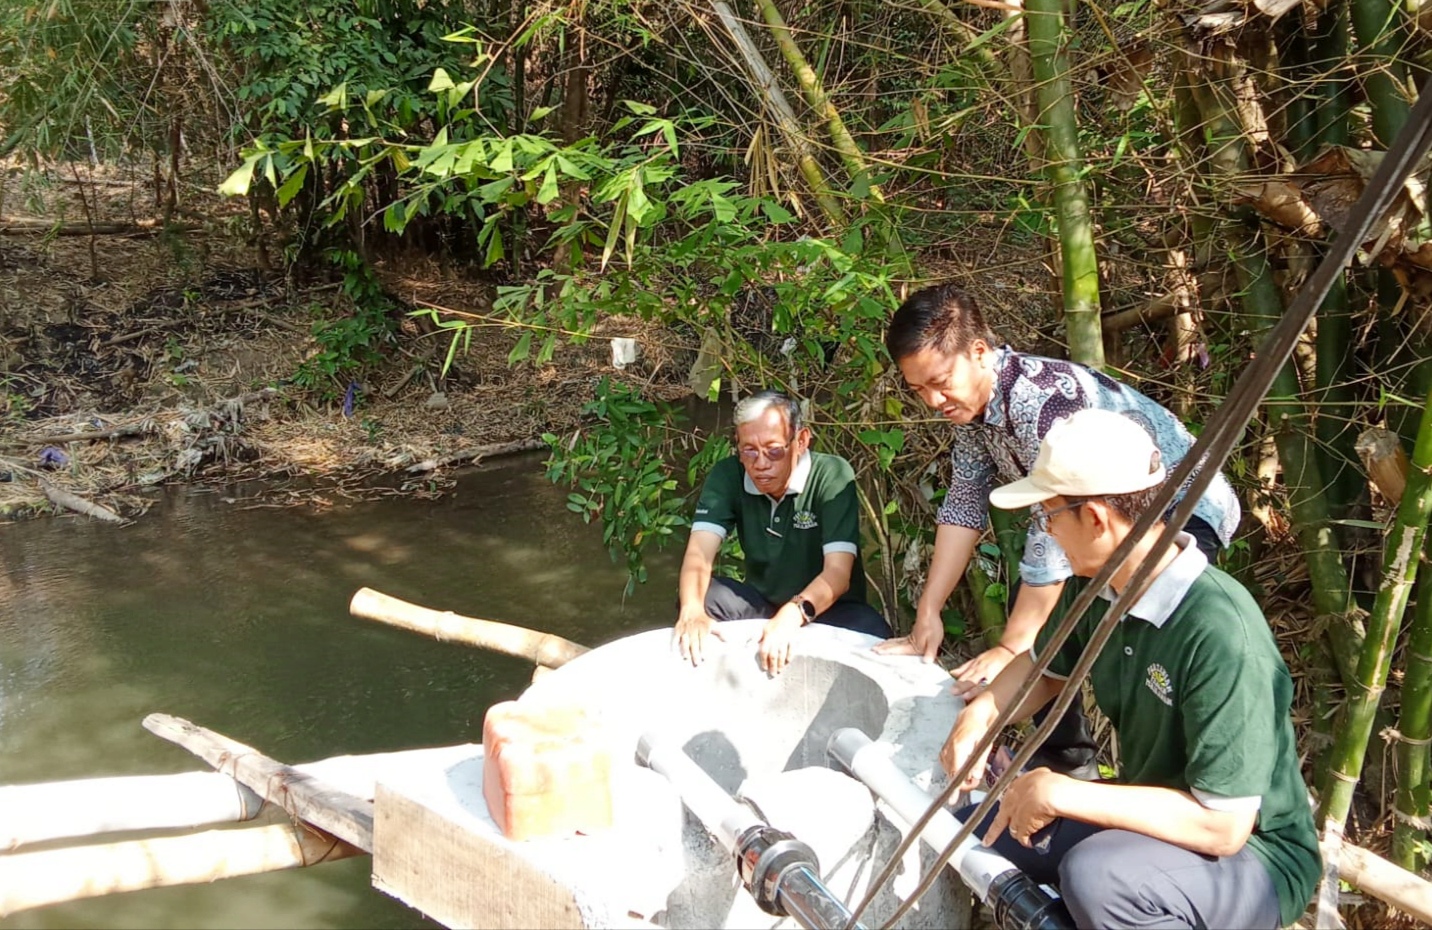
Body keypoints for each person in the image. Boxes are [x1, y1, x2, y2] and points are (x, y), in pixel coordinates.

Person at [945, 408, 1319, 929]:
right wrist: (981, 715)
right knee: (972, 828)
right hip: (1154, 820)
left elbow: (1224, 825)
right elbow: (1045, 669)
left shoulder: (1219, 632)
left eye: (1048, 514)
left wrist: (1060, 790)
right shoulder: (1099, 584)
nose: (1047, 530)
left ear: (1095, 518)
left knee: (1100, 878)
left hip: (1253, 859)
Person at [874, 283, 1241, 776]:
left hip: (1178, 507)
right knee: (1043, 632)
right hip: (1091, 525)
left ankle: (1169, 780)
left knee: (1122, 641)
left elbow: (1051, 543)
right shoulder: (970, 412)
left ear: (979, 352)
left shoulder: (1040, 400)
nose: (933, 400)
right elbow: (963, 503)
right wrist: (929, 612)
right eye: (918, 389)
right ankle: (1068, 763)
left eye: (940, 382)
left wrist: (1010, 646)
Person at [674, 390, 891, 675]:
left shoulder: (831, 474)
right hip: (761, 604)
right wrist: (691, 611)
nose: (760, 463)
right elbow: (699, 553)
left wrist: (792, 615)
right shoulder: (728, 475)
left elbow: (838, 574)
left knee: (876, 635)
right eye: (749, 450)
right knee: (702, 597)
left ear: (800, 441)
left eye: (773, 450)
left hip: (826, 610)